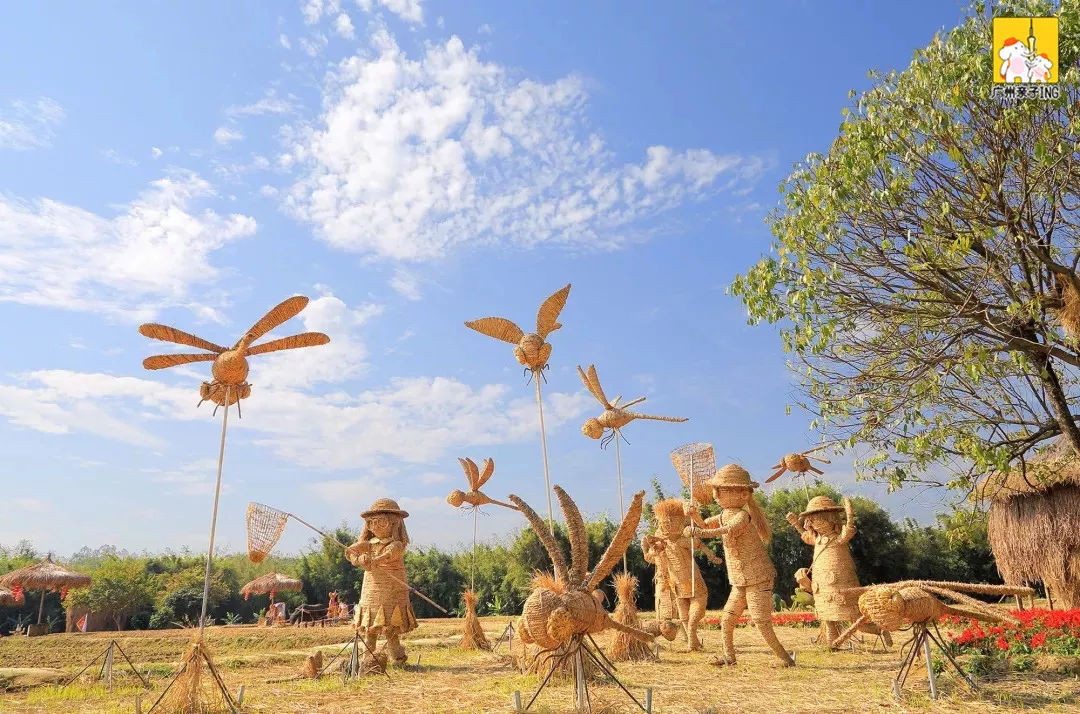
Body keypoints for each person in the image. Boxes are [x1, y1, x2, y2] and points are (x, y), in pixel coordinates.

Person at [687, 464, 795, 666]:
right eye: (717, 489)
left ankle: (785, 659)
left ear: (744, 494)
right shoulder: (721, 515)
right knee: (727, 619)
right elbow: (705, 524)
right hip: (740, 578)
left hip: (757, 576)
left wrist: (701, 533)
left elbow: (728, 529)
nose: (716, 494)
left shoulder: (743, 516)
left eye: (721, 489)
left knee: (762, 622)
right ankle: (729, 657)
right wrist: (694, 517)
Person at [787, 495, 892, 648]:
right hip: (822, 586)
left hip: (842, 584)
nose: (813, 523)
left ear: (830, 518)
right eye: (811, 519)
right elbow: (805, 535)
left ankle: (879, 630)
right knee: (827, 616)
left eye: (817, 518)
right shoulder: (817, 540)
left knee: (854, 619)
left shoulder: (838, 539)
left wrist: (850, 515)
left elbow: (848, 531)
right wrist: (796, 523)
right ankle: (832, 646)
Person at [346, 498, 417, 667]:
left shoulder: (397, 544)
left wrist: (376, 560)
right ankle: (368, 660)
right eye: (372, 523)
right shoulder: (369, 544)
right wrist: (359, 559)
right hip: (371, 588)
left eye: (381, 522)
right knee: (370, 626)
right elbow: (350, 551)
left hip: (393, 588)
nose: (376, 526)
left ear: (394, 523)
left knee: (391, 626)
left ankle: (397, 658)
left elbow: (390, 554)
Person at [642, 498, 719, 650]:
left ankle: (690, 638)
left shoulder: (683, 541)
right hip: (671, 583)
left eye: (670, 523)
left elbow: (700, 544)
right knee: (676, 614)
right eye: (664, 524)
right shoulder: (661, 544)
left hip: (691, 581)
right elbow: (651, 556)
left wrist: (712, 556)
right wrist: (648, 548)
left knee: (689, 616)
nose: (667, 527)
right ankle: (688, 641)